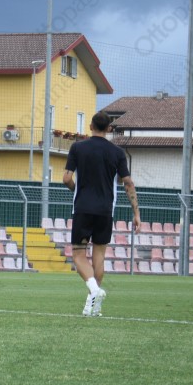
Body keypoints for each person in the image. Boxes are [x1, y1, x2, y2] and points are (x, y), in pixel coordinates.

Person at [62, 110, 140, 316]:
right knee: (99, 255)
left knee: (78, 254)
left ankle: (95, 290)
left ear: (90, 126)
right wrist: (136, 213)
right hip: (106, 210)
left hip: (83, 208)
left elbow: (66, 178)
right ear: (109, 128)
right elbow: (128, 183)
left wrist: (76, 190)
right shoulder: (117, 152)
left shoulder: (78, 147)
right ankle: (93, 305)